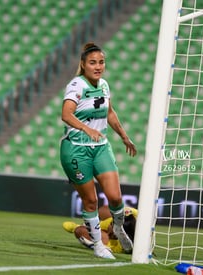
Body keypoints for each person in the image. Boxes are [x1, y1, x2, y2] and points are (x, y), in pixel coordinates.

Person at [60, 42, 137, 259]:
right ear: (83, 65)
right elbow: (66, 115)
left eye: (101, 62)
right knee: (91, 202)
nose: (98, 66)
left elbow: (109, 113)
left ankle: (119, 228)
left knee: (115, 197)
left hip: (100, 148)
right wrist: (87, 129)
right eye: (93, 62)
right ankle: (98, 246)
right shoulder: (76, 85)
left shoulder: (103, 85)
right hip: (76, 150)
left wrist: (124, 136)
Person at [62, 205, 137, 254]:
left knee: (79, 231)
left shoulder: (118, 247)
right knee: (103, 209)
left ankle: (77, 226)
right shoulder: (136, 215)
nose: (111, 234)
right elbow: (126, 210)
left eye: (113, 235)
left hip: (117, 240)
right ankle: (86, 225)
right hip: (115, 223)